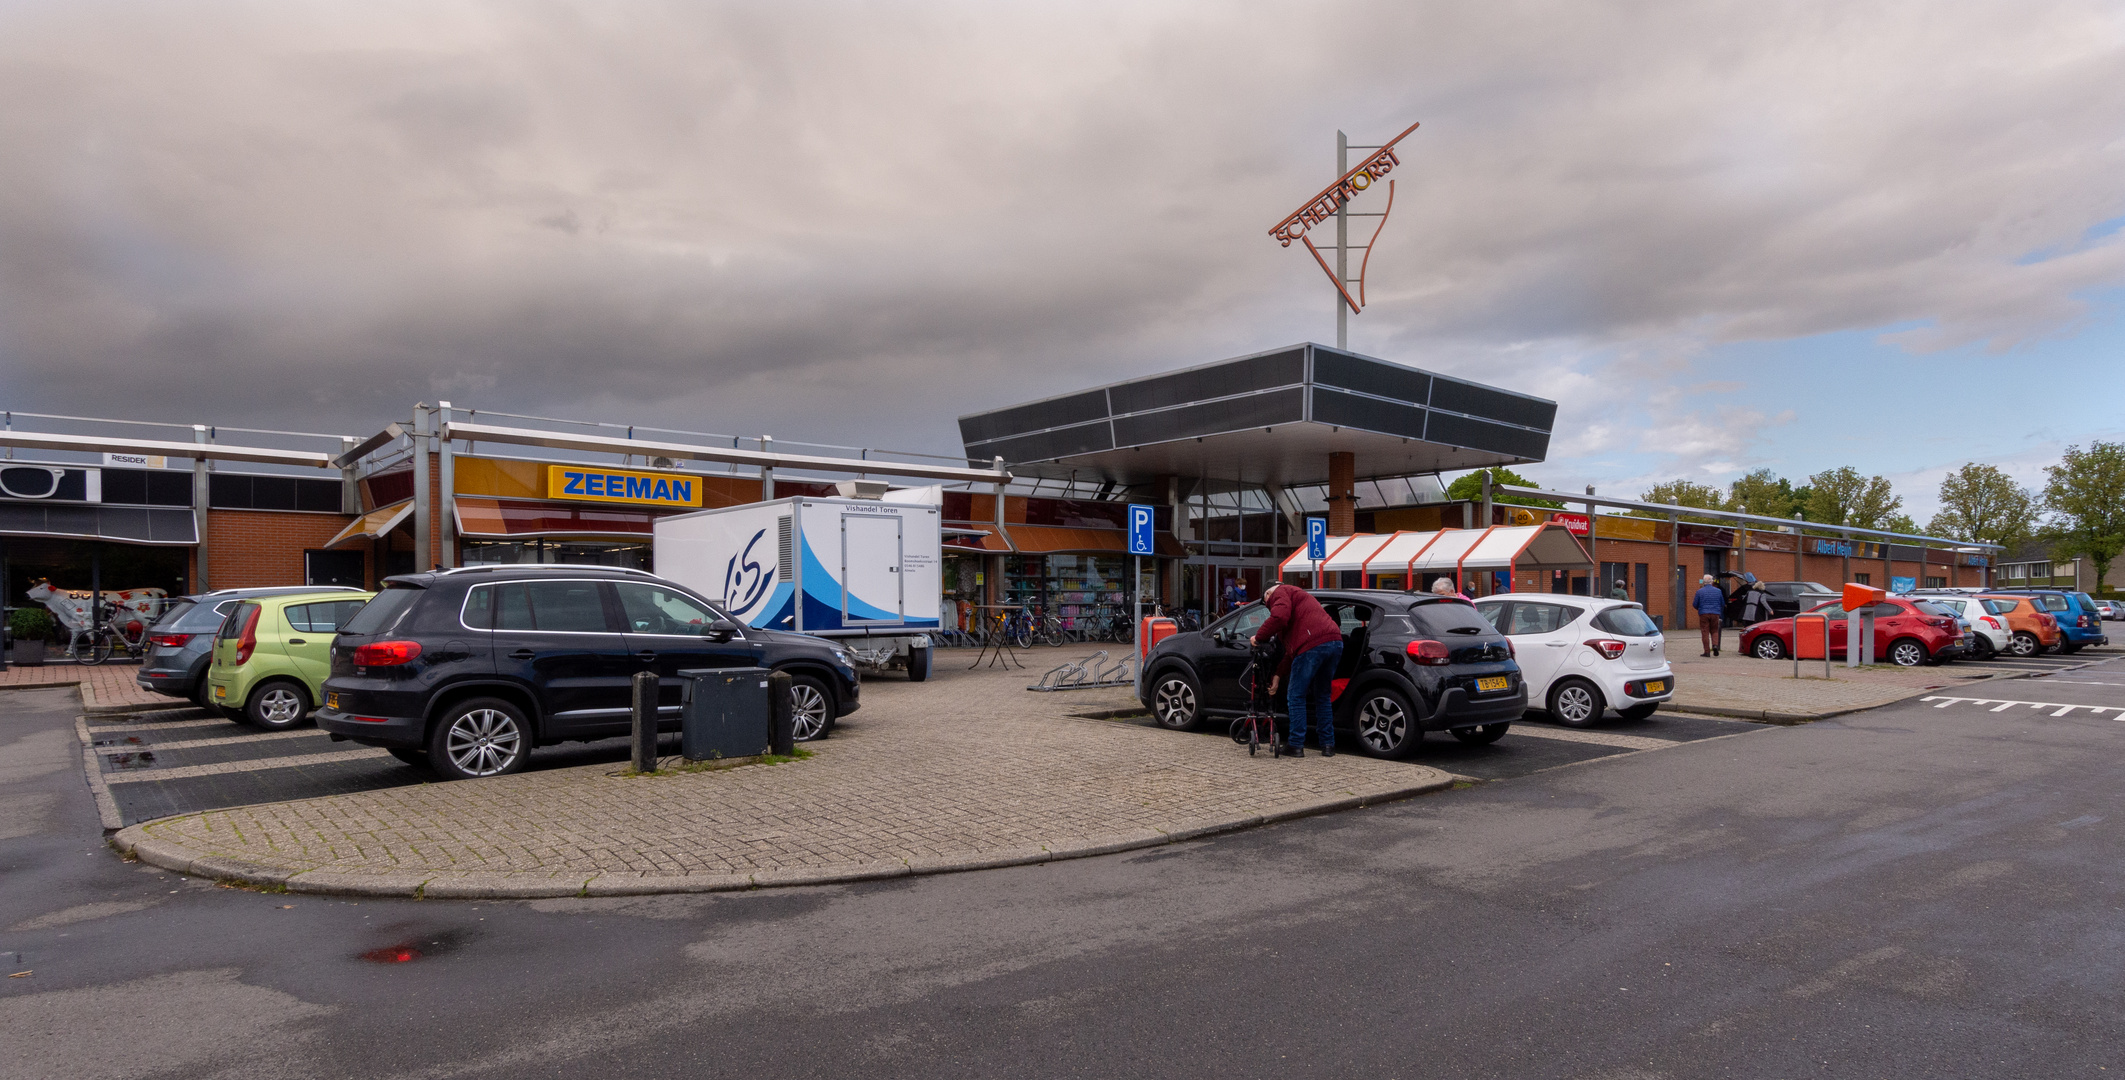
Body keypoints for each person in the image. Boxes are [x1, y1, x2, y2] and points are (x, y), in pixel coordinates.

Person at [1252, 582, 1344, 758]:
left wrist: (1258, 637)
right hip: (1334, 642)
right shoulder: (1297, 601)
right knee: (1323, 696)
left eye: (1266, 602)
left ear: (1268, 593)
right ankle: (1328, 745)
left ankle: (1295, 744)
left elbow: (1279, 617)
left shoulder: (1281, 591)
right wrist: (1278, 675)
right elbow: (1292, 652)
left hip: (1312, 646)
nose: (1269, 607)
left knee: (1295, 696)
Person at [1692, 574, 1727, 656]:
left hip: (1704, 613)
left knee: (1705, 632)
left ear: (1704, 582)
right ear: (1712, 582)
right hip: (1715, 613)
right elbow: (1722, 603)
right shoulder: (1718, 591)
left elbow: (1695, 604)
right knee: (1715, 630)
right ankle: (1715, 645)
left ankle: (1707, 652)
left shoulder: (1699, 591)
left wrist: (1700, 609)